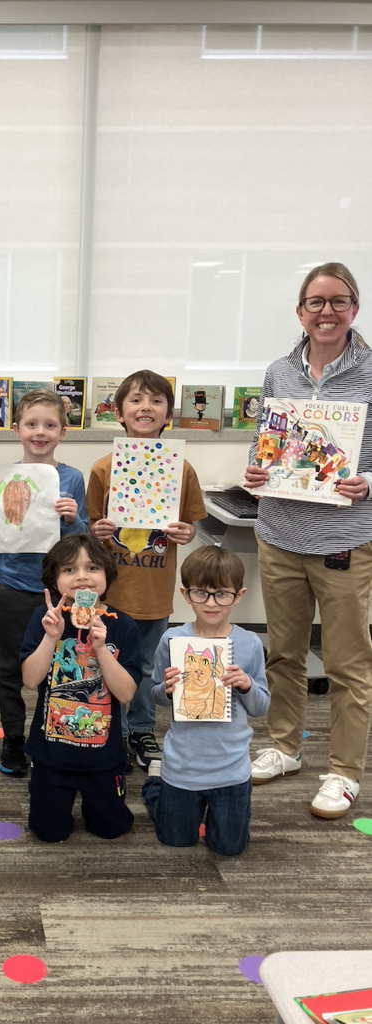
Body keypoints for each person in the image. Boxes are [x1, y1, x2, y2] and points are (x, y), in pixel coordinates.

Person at [246, 263, 372, 819]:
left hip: (344, 539)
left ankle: (344, 773)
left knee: (347, 664)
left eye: (338, 301)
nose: (326, 311)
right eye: (315, 302)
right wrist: (257, 470)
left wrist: (368, 482)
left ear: (354, 309)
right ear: (300, 311)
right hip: (279, 535)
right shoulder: (279, 371)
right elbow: (267, 444)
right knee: (284, 654)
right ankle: (284, 747)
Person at [86, 371, 206, 772]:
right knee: (110, 658)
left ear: (168, 414)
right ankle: (113, 730)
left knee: (150, 667)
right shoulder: (103, 468)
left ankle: (140, 729)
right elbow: (90, 527)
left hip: (155, 590)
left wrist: (185, 532)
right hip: (114, 589)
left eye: (155, 401)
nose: (145, 408)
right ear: (118, 413)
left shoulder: (181, 468)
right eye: (136, 400)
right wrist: (97, 529)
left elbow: (189, 527)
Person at [0, 389, 88, 776]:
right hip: (12, 586)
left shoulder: (71, 478)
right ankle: (12, 738)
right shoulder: (5, 477)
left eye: (50, 425)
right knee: (8, 665)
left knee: (59, 664)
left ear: (63, 431)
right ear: (16, 429)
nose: (40, 432)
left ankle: (50, 733)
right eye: (31, 424)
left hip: (61, 592)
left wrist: (74, 519)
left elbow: (84, 539)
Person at [143, 547, 270, 856]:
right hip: (183, 765)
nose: (211, 603)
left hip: (231, 769)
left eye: (222, 594)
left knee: (229, 847)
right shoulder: (171, 641)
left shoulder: (250, 644)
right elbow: (155, 695)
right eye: (202, 592)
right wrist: (168, 689)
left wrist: (246, 685)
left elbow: (261, 707)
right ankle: (154, 788)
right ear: (186, 594)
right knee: (175, 840)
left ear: (238, 596)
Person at [21, 534, 141, 842]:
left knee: (112, 829)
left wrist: (101, 648)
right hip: (51, 752)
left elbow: (126, 694)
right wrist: (50, 638)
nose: (82, 577)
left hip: (103, 755)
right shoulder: (45, 619)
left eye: (92, 568)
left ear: (107, 575)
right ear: (54, 580)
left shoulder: (122, 625)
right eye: (69, 570)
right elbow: (30, 680)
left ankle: (149, 790)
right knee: (47, 832)